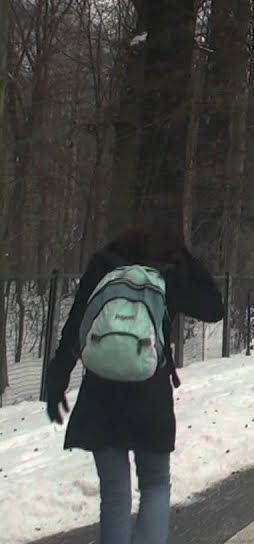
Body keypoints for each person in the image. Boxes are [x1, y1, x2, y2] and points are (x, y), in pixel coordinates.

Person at [45, 220, 224, 544]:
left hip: (100, 393)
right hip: (149, 395)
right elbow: (214, 309)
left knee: (114, 494)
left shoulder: (103, 265)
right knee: (155, 484)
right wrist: (188, 260)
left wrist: (56, 381)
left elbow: (74, 327)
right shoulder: (168, 272)